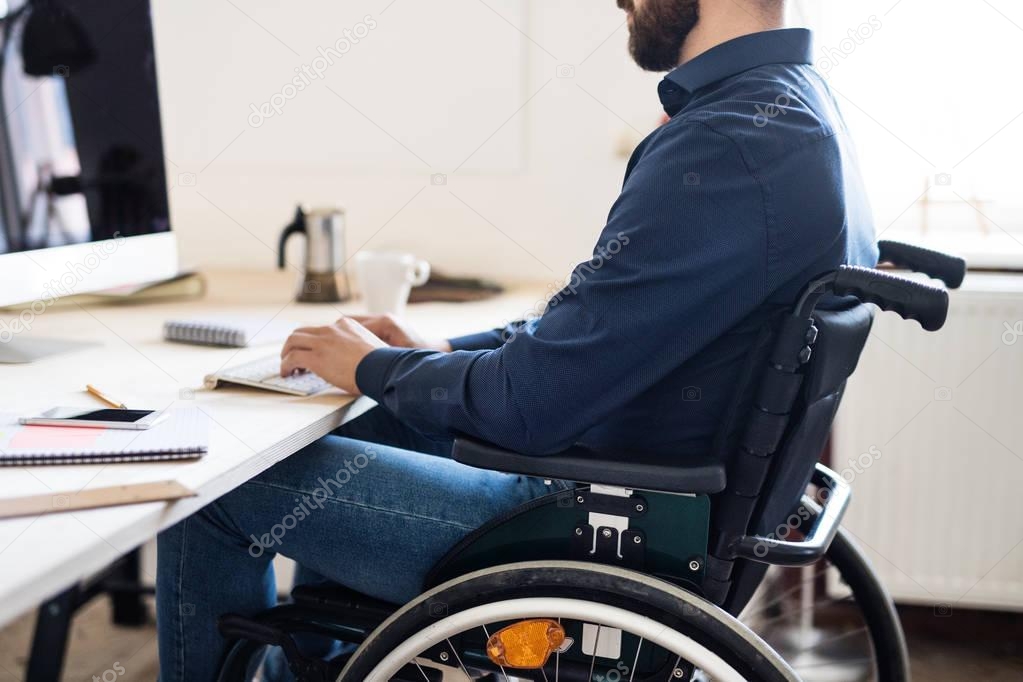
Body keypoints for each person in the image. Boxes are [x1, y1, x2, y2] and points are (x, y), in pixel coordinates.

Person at [157, 0, 878, 678]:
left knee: (216, 489)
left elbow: (527, 404)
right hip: (641, 497)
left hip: (591, 524)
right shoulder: (789, 113)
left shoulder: (729, 140)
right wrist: (431, 357)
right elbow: (598, 330)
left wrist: (377, 366)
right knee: (379, 422)